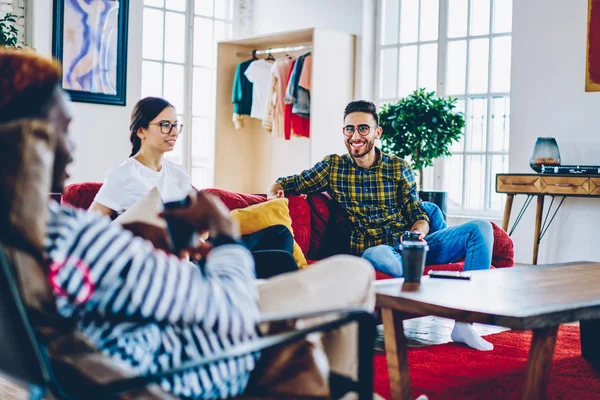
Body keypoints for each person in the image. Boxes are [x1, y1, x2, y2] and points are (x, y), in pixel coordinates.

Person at [0, 49, 376, 399]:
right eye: (63, 130)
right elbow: (230, 313)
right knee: (349, 278)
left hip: (166, 323)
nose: (72, 148)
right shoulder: (80, 236)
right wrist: (226, 237)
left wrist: (137, 239)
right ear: (28, 141)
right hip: (206, 362)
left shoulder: (32, 240)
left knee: (285, 250)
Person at [268, 100, 495, 351]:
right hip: (375, 248)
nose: (355, 136)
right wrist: (274, 191)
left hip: (409, 242)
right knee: (380, 256)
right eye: (349, 129)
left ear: (378, 132)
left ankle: (465, 324)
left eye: (363, 129)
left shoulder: (398, 167)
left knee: (481, 228)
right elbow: (288, 183)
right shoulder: (333, 167)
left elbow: (416, 211)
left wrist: (419, 231)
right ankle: (433, 288)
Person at [87, 96, 297, 279]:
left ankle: (239, 280)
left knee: (280, 233)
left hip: (203, 246)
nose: (174, 132)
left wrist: (203, 235)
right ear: (141, 131)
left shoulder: (178, 173)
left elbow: (199, 220)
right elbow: (93, 225)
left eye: (176, 125)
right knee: (282, 260)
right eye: (165, 125)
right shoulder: (123, 176)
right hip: (180, 260)